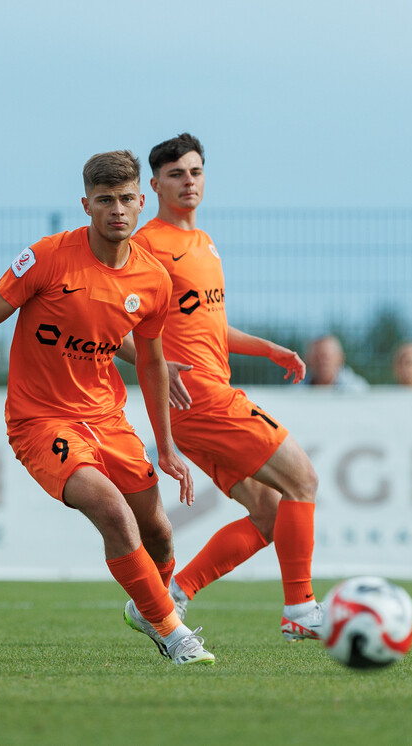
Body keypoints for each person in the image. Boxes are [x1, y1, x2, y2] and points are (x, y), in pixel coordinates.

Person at [0, 150, 215, 666]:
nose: (116, 211)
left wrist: (166, 446)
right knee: (112, 512)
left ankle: (150, 608)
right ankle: (174, 633)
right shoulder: (47, 257)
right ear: (86, 205)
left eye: (125, 200)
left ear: (142, 202)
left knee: (160, 535)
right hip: (40, 420)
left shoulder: (154, 281)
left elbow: (149, 361)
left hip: (107, 418)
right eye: (105, 201)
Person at [121, 133, 323, 643]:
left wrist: (268, 349)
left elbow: (212, 327)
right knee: (303, 480)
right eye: (176, 174)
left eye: (195, 172)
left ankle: (166, 602)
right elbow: (118, 326)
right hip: (201, 398)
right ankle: (300, 608)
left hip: (203, 402)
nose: (188, 182)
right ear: (155, 185)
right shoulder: (147, 246)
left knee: (271, 512)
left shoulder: (204, 242)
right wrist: (162, 367)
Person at [302, 334, 369, 391]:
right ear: (308, 360)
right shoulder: (297, 389)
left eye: (326, 357)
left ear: (340, 359)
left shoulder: (356, 389)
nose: (321, 362)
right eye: (316, 358)